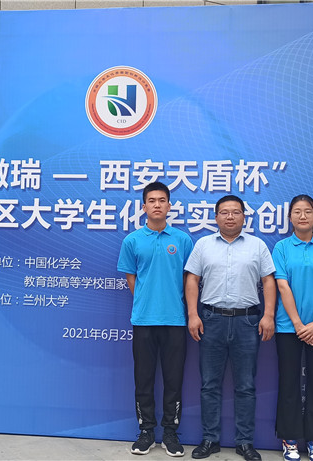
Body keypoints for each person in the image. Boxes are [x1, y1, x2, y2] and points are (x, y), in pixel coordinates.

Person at [184, 195, 276, 461]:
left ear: (244, 217)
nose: (230, 217)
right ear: (216, 217)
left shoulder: (257, 245)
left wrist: (268, 315)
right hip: (211, 320)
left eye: (236, 212)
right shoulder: (203, 245)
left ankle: (244, 442)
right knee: (209, 384)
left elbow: (268, 282)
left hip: (247, 321)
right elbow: (192, 280)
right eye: (224, 212)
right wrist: (193, 314)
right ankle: (209, 439)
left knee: (245, 385)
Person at [118, 181, 194, 457]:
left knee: (174, 380)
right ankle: (146, 431)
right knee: (144, 379)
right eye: (152, 201)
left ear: (169, 206)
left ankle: (171, 433)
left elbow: (189, 279)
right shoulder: (132, 240)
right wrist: (146, 300)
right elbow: (131, 277)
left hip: (175, 320)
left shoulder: (183, 240)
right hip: (143, 320)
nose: (157, 205)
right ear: (144, 206)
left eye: (162, 200)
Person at [272, 195, 313, 461]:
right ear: (289, 217)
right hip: (289, 327)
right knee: (289, 382)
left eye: (308, 211)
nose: (302, 216)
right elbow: (282, 285)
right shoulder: (281, 247)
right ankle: (289, 439)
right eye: (297, 212)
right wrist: (299, 325)